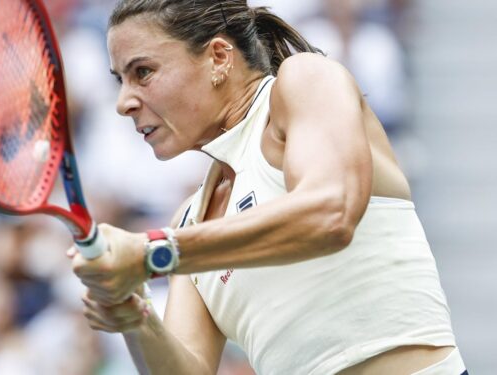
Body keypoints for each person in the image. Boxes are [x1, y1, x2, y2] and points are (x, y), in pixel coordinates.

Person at [70, 1, 465, 374]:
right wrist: (136, 316)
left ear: (219, 58)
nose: (123, 102)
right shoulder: (189, 223)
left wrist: (152, 251)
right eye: (120, 80)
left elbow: (330, 214)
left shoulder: (306, 80)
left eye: (143, 72)